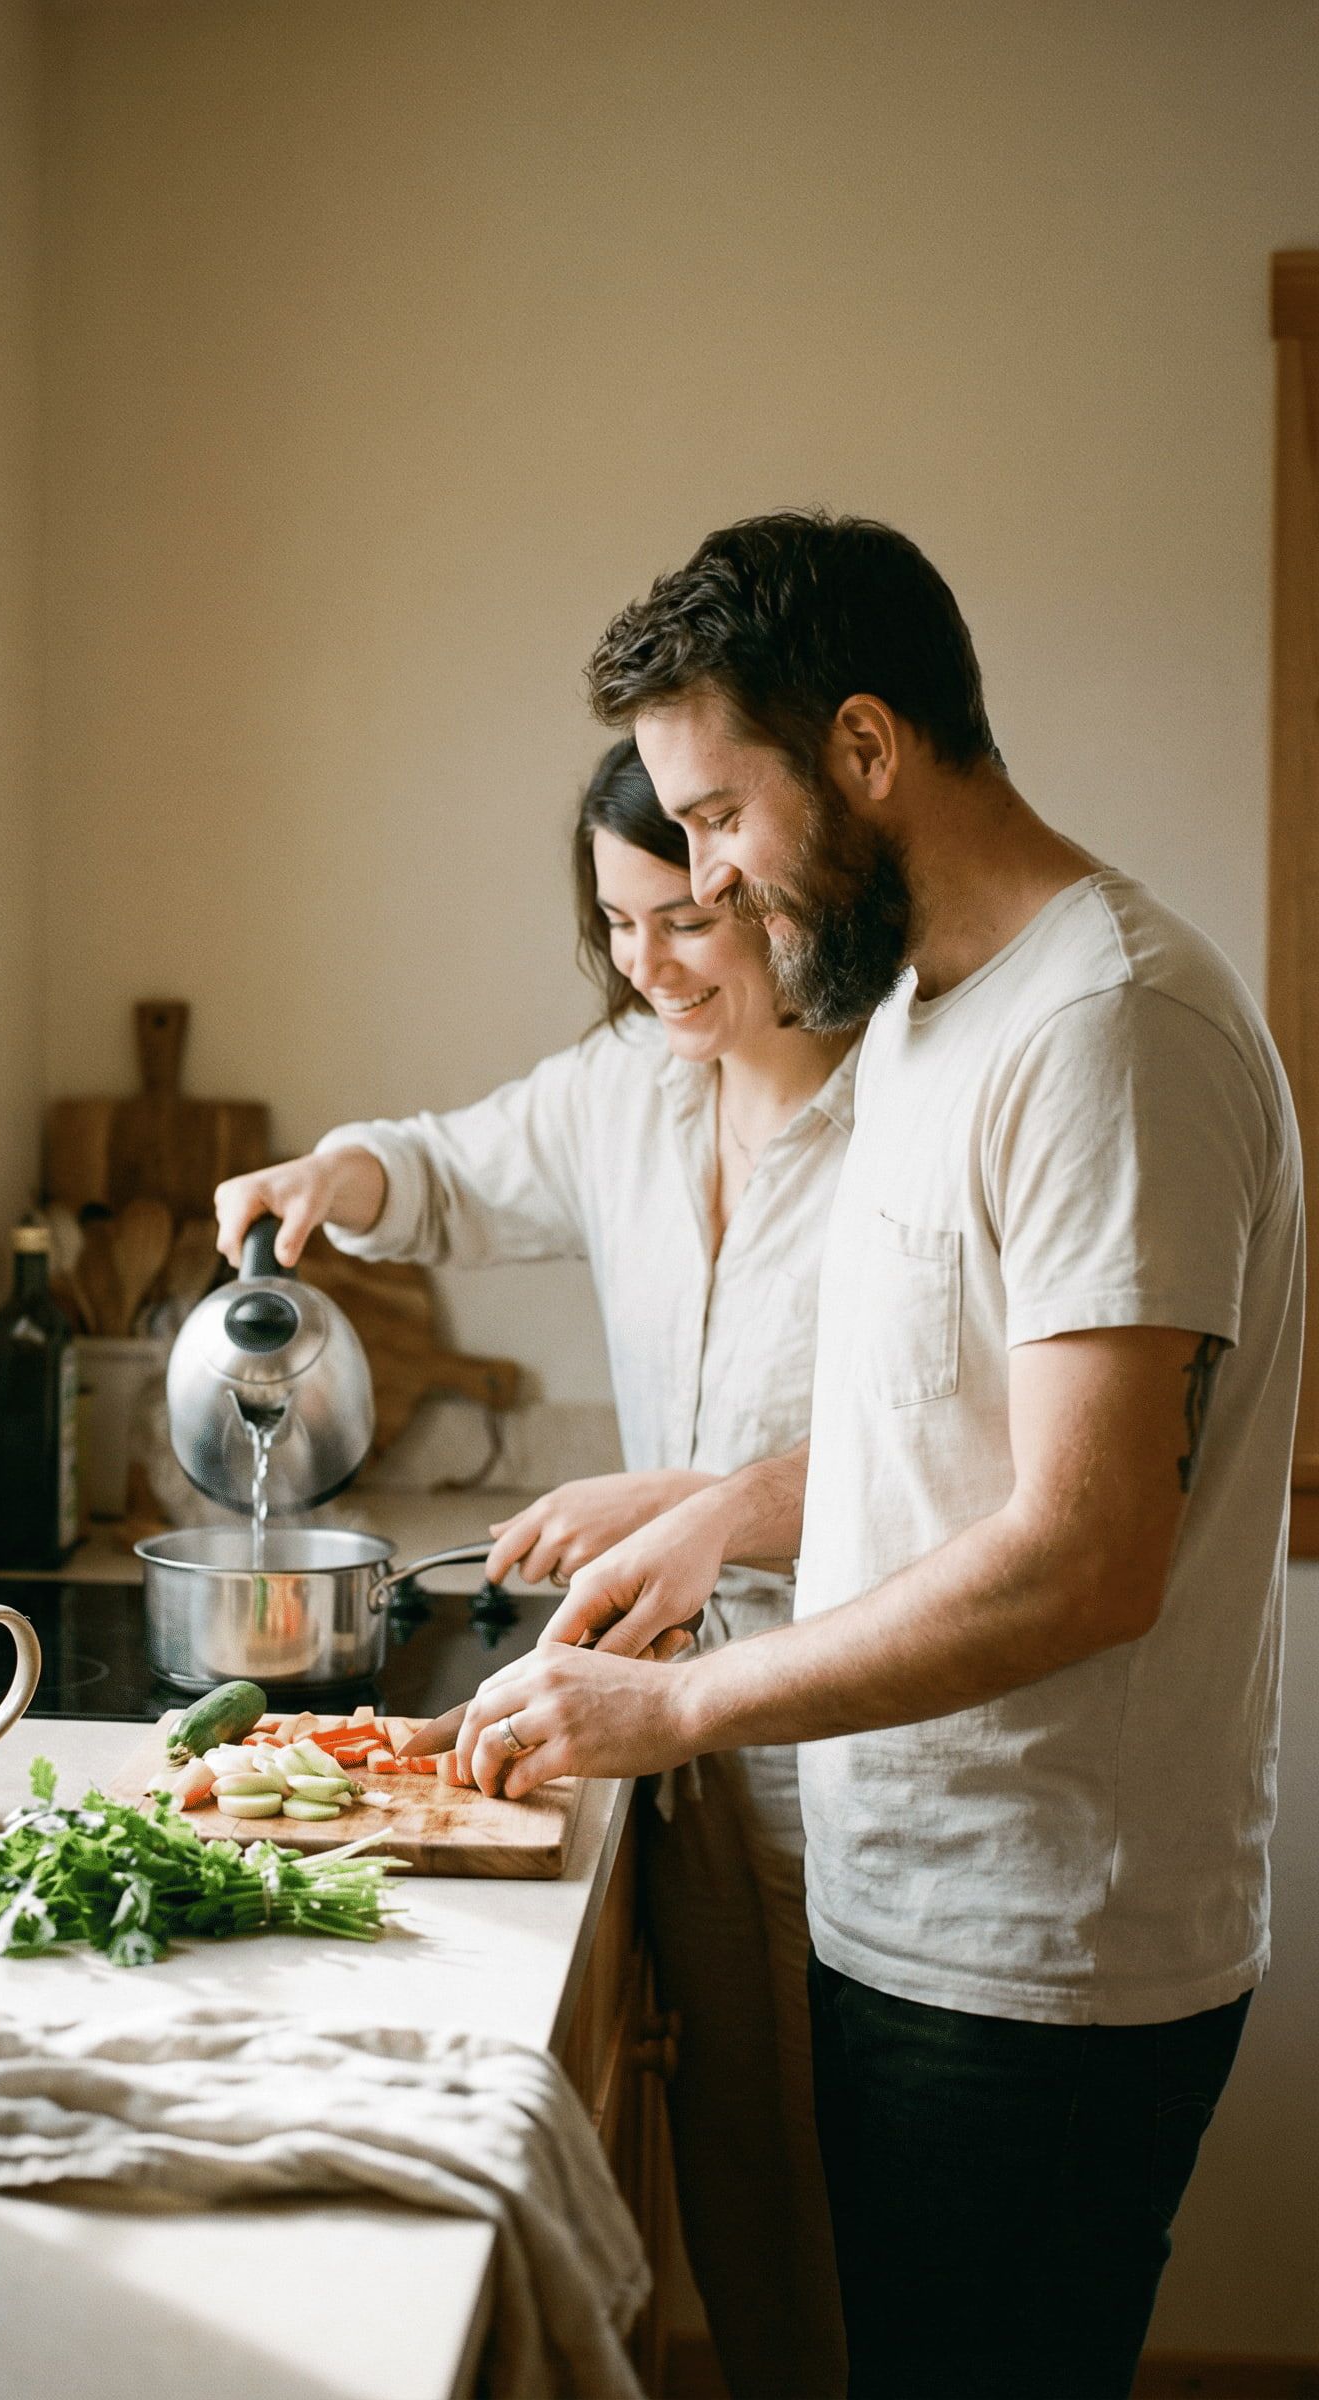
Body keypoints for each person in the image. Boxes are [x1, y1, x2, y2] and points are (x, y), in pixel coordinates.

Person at [452, 511, 1303, 2400]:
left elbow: (1090, 1552)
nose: (708, 879)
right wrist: (703, 1510)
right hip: (910, 1898)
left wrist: (674, 1714)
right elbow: (945, 1430)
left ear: (862, 746)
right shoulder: (923, 1016)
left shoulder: (1112, 1029)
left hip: (1042, 1949)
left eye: (720, 817)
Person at [215, 737, 856, 2400]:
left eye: (684, 922)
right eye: (615, 925)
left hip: (866, 1724)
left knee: (867, 2193)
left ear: (770, 896)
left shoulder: (909, 1099)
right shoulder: (629, 1085)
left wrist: (693, 1498)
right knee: (739, 2161)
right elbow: (441, 1168)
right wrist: (328, 1178)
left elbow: (961, 1456)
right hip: (674, 1718)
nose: (645, 966)